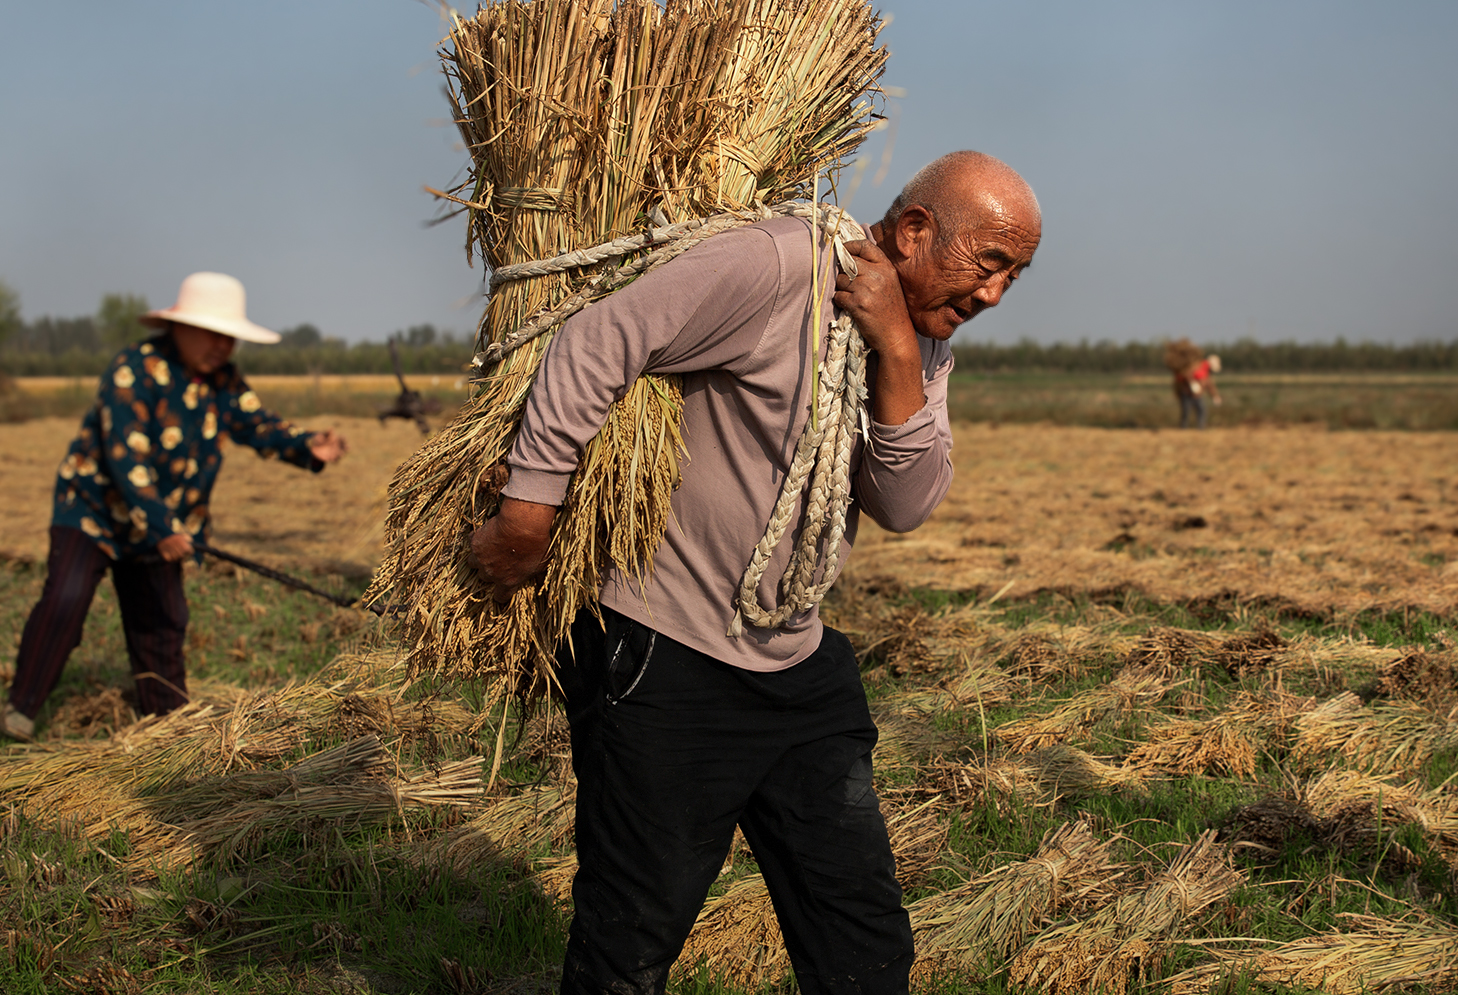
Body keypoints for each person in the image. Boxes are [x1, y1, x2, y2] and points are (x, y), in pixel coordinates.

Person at [470, 151, 1041, 995]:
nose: (993, 296)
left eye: (1013, 278)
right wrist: (528, 510)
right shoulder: (780, 264)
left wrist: (893, 347)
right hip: (668, 652)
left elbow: (906, 501)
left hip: (795, 663)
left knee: (865, 942)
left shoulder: (918, 339)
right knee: (629, 942)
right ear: (915, 231)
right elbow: (601, 338)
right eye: (988, 266)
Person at [1, 272, 348, 741]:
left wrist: (309, 445)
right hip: (95, 513)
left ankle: (168, 728)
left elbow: (258, 425)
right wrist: (163, 526)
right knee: (66, 599)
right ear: (178, 327)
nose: (222, 346)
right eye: (212, 333)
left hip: (163, 528)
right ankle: (20, 710)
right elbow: (127, 457)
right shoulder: (134, 370)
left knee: (164, 621)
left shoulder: (223, 382)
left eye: (229, 337)